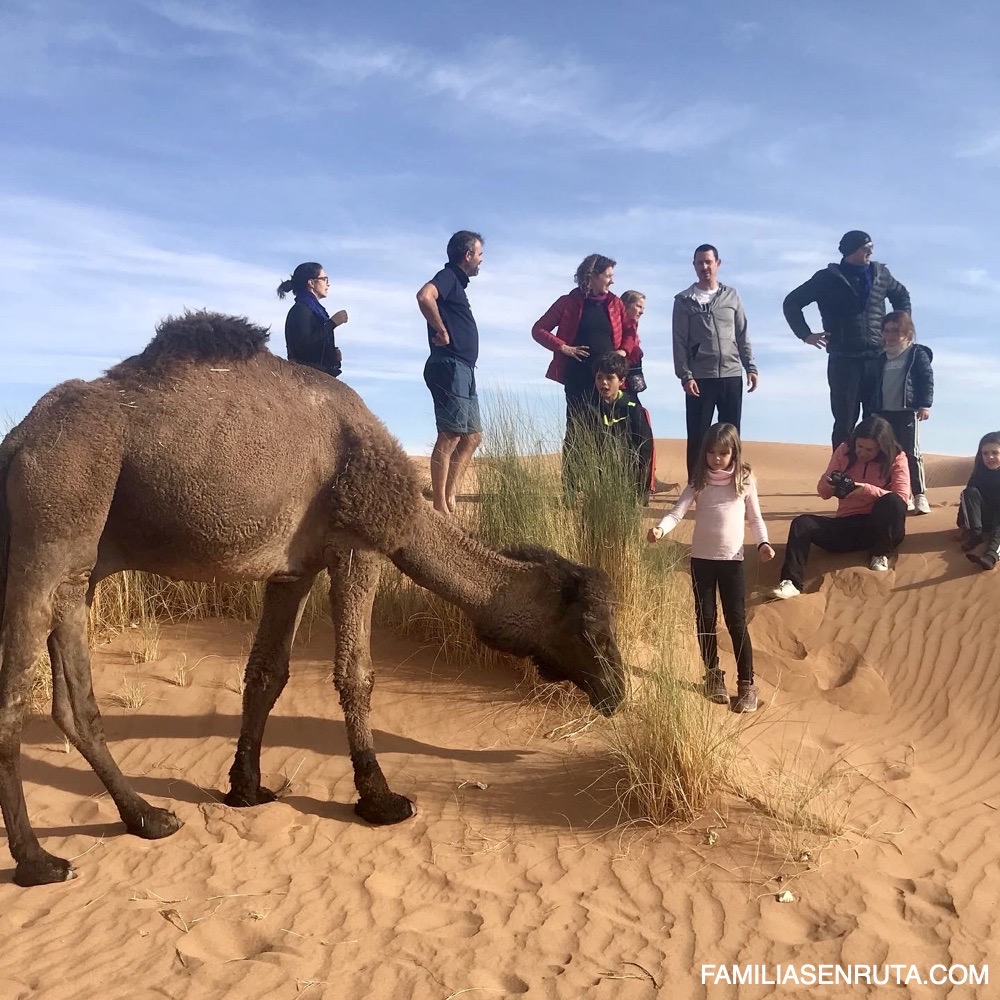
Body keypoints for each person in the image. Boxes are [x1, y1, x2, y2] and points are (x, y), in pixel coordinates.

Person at [647, 422, 774, 713]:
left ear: (734, 453)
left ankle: (746, 684)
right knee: (705, 620)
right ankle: (713, 675)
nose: (717, 458)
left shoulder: (744, 479)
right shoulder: (700, 480)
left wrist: (764, 543)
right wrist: (660, 529)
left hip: (732, 561)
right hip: (701, 561)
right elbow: (678, 511)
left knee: (736, 622)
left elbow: (755, 518)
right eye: (712, 452)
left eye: (723, 453)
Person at [783, 230, 911, 449]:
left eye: (871, 247)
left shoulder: (881, 274)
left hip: (877, 359)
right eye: (866, 248)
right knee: (845, 422)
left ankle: (876, 476)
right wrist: (806, 335)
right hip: (843, 360)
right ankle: (841, 476)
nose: (871, 251)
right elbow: (792, 303)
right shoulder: (826, 279)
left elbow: (901, 295)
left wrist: (902, 329)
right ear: (851, 250)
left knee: (878, 422)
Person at [772, 416, 909, 599]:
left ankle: (880, 554)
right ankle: (791, 582)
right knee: (801, 523)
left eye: (870, 449)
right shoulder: (844, 451)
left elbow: (902, 500)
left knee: (891, 502)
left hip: (882, 528)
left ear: (882, 448)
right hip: (847, 525)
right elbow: (824, 493)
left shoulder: (897, 458)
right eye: (859, 446)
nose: (862, 452)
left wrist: (866, 490)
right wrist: (827, 483)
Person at [531, 254, 638, 452]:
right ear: (592, 276)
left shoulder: (615, 304)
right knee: (576, 432)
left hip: (609, 380)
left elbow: (631, 331)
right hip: (577, 378)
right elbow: (538, 330)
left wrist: (623, 351)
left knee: (609, 432)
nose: (612, 281)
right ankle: (573, 482)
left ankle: (604, 479)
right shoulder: (568, 302)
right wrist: (563, 347)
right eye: (607, 276)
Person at [672, 245, 758, 482]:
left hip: (731, 375)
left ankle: (732, 484)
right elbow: (678, 341)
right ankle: (696, 487)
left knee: (731, 435)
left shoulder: (731, 295)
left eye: (708, 262)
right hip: (700, 377)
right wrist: (685, 375)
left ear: (718, 263)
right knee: (699, 436)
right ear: (694, 265)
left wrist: (750, 367)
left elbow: (742, 334)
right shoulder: (683, 300)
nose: (704, 267)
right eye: (699, 263)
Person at [416, 230, 484, 516]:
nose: (481, 260)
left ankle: (449, 496)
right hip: (449, 365)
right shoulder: (448, 277)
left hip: (463, 368)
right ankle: (439, 506)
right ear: (467, 255)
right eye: (479, 254)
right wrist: (441, 330)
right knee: (451, 433)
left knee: (472, 436)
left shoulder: (456, 283)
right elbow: (424, 296)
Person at [874, 311, 933, 514]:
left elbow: (926, 379)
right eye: (886, 330)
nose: (890, 335)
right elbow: (874, 386)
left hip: (907, 412)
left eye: (895, 331)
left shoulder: (916, 353)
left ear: (907, 332)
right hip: (884, 414)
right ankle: (902, 494)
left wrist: (925, 405)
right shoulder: (881, 358)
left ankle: (920, 496)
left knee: (910, 454)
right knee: (888, 454)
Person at [587, 352, 654, 504]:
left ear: (622, 381)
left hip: (628, 484)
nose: (603, 383)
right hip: (598, 486)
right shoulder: (589, 409)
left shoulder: (633, 409)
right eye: (599, 377)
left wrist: (640, 487)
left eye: (610, 378)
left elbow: (645, 448)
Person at [277, 262, 348, 377]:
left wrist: (331, 356)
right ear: (311, 282)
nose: (328, 284)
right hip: (305, 376)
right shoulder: (300, 310)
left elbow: (316, 343)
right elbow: (303, 345)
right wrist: (332, 324)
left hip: (319, 376)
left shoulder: (315, 311)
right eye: (324, 279)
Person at [958, 432, 1000, 571]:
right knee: (969, 491)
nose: (990, 457)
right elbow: (967, 499)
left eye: (995, 452)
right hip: (983, 521)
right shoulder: (978, 474)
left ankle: (991, 556)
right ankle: (975, 535)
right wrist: (962, 522)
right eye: (985, 453)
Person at [620, 290, 647, 393]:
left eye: (643, 308)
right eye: (638, 306)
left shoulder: (634, 328)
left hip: (631, 381)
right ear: (626, 305)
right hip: (622, 381)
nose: (642, 312)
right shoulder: (618, 327)